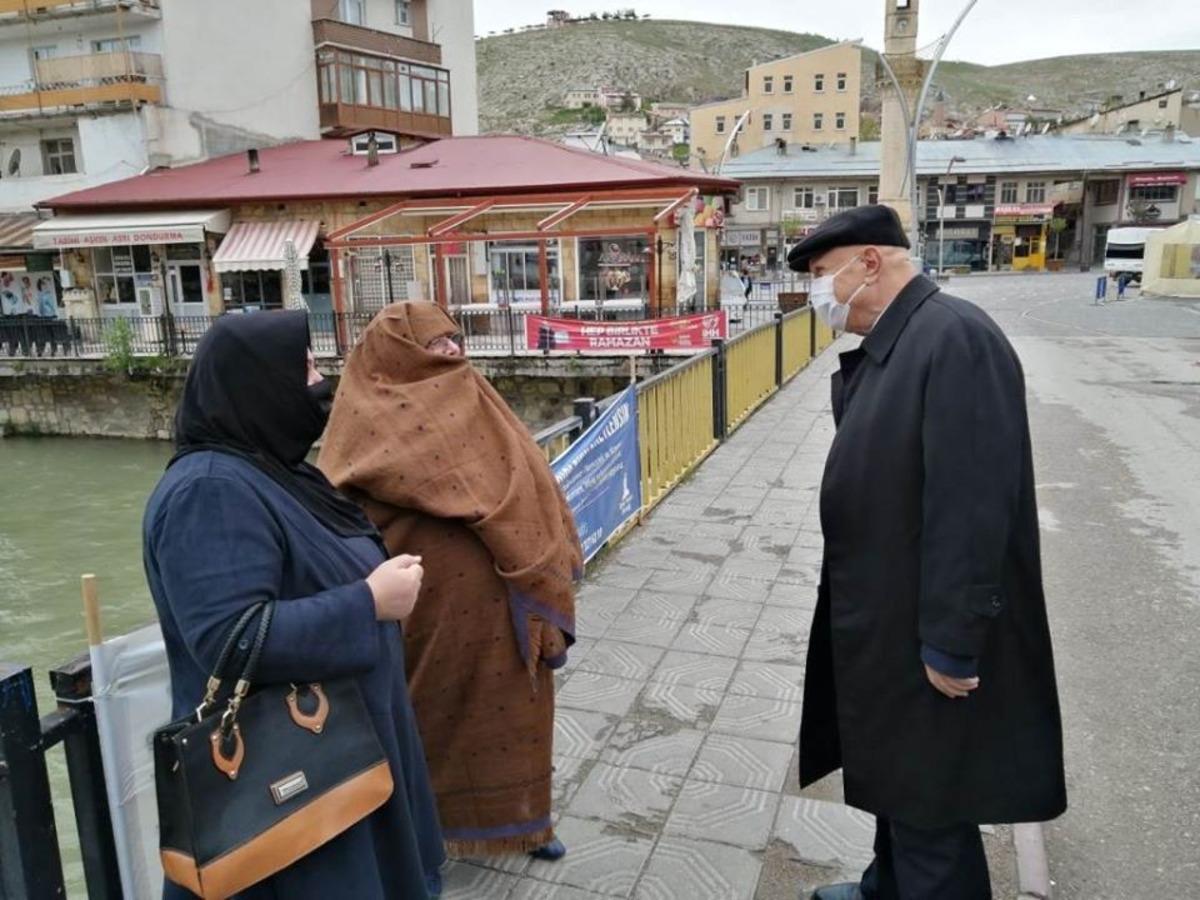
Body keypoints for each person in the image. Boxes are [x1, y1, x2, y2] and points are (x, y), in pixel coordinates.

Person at [786, 206, 1067, 900]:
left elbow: (971, 508)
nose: (817, 293)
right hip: (885, 616)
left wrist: (952, 640)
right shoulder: (901, 337)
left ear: (871, 264)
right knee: (897, 776)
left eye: (823, 275)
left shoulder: (952, 339)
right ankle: (888, 887)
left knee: (932, 799)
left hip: (925, 628)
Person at [142, 310, 446, 899]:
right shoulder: (210, 490)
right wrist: (368, 602)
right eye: (304, 367)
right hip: (285, 786)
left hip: (337, 758)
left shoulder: (272, 471)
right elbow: (231, 638)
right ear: (255, 384)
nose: (319, 381)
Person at [319, 302, 582, 860]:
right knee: (430, 718)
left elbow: (523, 470)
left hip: (508, 597)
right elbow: (340, 507)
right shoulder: (363, 411)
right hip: (427, 609)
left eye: (453, 339)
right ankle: (426, 834)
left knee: (521, 713)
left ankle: (527, 823)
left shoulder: (472, 393)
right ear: (397, 354)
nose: (453, 351)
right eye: (435, 345)